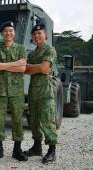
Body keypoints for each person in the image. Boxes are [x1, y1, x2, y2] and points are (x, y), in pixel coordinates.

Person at [0, 21, 28, 161]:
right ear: (1, 33)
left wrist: (2, 65)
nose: (8, 33)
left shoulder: (21, 49)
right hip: (0, 91)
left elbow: (22, 69)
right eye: (5, 31)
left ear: (14, 33)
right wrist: (14, 63)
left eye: (11, 30)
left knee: (17, 120)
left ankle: (17, 150)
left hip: (16, 91)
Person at [24, 23, 58, 164]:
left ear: (45, 35)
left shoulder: (50, 50)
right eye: (34, 34)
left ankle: (52, 150)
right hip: (33, 92)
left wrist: (32, 68)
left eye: (40, 33)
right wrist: (33, 68)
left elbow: (44, 68)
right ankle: (37, 147)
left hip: (45, 92)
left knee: (47, 120)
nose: (37, 36)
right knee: (34, 121)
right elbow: (25, 70)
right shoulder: (32, 53)